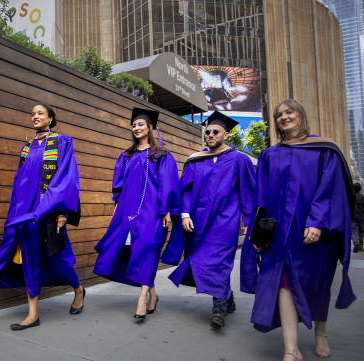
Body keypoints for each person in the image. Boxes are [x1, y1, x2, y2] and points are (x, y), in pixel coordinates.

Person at [240, 99, 356, 361]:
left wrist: (317, 221)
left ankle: (321, 333)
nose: (284, 117)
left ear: (300, 115)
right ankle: (291, 350)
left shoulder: (324, 149)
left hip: (313, 231)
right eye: (279, 115)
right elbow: (261, 197)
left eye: (289, 112)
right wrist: (259, 233)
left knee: (317, 283)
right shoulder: (270, 154)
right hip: (280, 234)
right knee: (283, 284)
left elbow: (330, 187)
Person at [0, 102, 85, 331]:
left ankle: (78, 289)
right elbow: (19, 183)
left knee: (57, 259)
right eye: (32, 114)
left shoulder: (62, 141)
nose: (35, 117)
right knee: (31, 259)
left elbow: (67, 176)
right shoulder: (27, 147)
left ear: (51, 118)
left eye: (40, 113)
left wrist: (61, 210)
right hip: (28, 214)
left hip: (50, 210)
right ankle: (33, 313)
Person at [162, 111, 255, 330]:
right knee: (203, 262)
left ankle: (218, 309)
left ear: (225, 135)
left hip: (225, 221)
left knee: (220, 263)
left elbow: (248, 192)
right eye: (208, 132)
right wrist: (184, 214)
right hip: (198, 221)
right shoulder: (196, 160)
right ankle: (228, 298)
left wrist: (250, 220)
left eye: (215, 132)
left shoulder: (239, 159)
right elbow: (185, 189)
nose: (210, 135)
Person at [93, 108, 180, 318]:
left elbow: (167, 184)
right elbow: (119, 186)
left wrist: (166, 210)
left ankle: (142, 299)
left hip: (152, 210)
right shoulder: (126, 156)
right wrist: (116, 207)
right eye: (134, 125)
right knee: (130, 250)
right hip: (126, 209)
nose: (136, 128)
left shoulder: (161, 155)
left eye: (141, 124)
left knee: (147, 249)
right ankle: (153, 294)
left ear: (150, 127)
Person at [352, 182, 364, 253]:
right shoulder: (362, 197)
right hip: (361, 217)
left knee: (354, 231)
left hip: (353, 217)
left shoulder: (351, 197)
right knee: (361, 231)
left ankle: (356, 242)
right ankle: (360, 246)